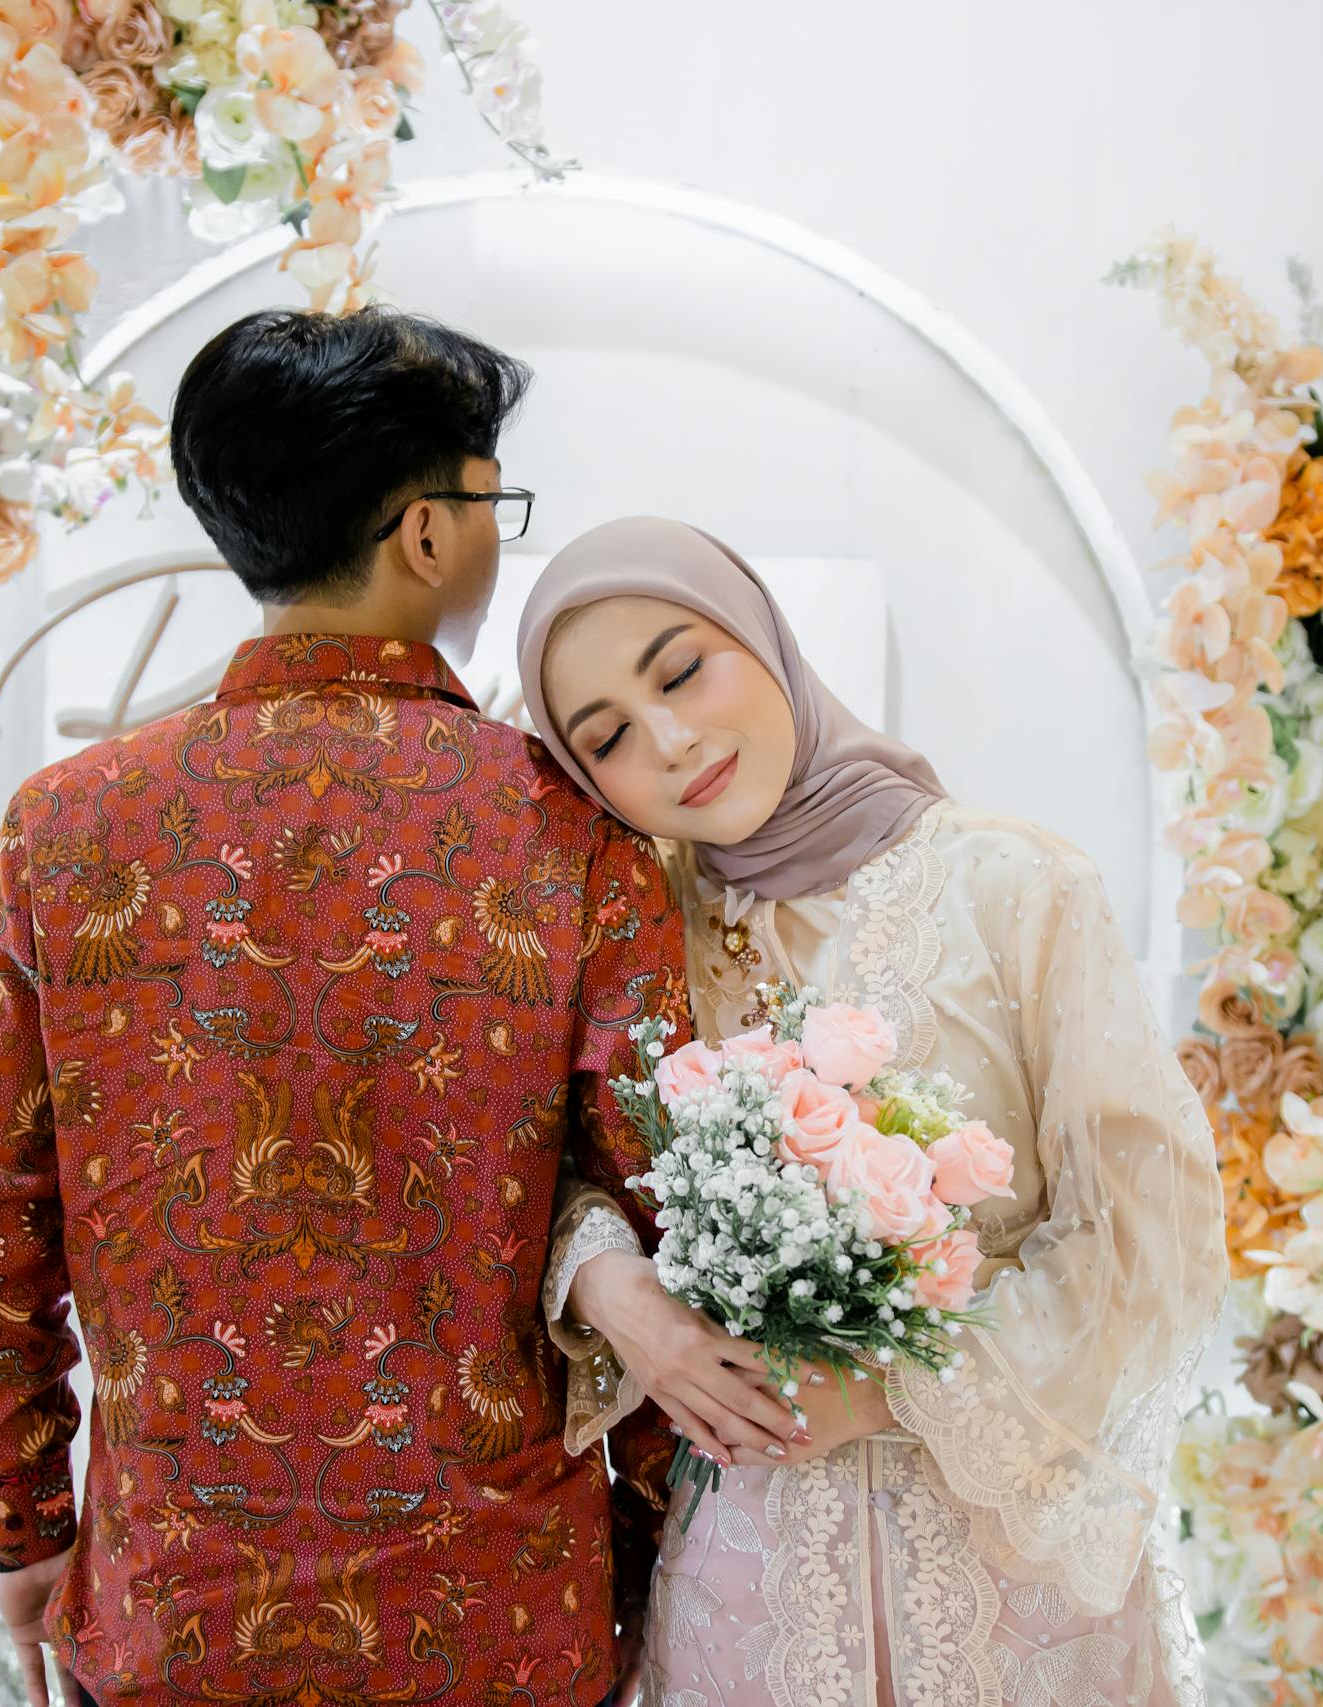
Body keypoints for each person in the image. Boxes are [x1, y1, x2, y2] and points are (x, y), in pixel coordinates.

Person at [0, 315, 800, 1706]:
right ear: (428, 535)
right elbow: (657, 1212)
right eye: (487, 498)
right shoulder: (576, 837)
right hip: (509, 1613)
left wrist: (26, 1526)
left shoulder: (61, 831)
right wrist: (638, 1543)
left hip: (174, 1614)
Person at [520, 518, 1228, 1707]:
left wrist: (909, 1385)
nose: (675, 739)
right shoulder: (633, 929)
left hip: (1008, 1595)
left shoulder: (1014, 886)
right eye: (609, 740)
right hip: (752, 1592)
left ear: (761, 636)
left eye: (683, 669)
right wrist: (614, 1291)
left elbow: (1144, 1234)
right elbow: (549, 1173)